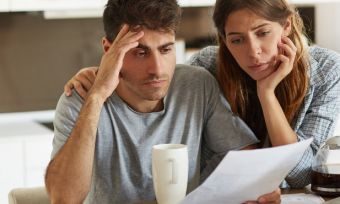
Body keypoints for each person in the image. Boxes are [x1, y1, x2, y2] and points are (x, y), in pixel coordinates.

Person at [65, 0, 340, 189]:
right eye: (237, 39)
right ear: (223, 38)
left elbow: (299, 173)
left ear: (288, 26)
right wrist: (104, 72)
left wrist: (267, 93)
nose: (253, 51)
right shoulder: (207, 67)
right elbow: (154, 81)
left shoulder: (326, 71)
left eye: (263, 33)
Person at [45, 0, 280, 203]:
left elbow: (246, 162)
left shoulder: (196, 85)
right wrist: (97, 97)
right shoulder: (81, 98)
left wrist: (261, 187)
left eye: (166, 49)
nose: (157, 70)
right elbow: (63, 199)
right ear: (109, 50)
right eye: (140, 52)